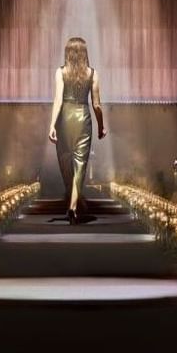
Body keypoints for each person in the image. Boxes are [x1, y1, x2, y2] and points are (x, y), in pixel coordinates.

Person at [48, 37, 107, 224]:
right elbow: (97, 105)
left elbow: (58, 100)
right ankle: (73, 206)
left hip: (64, 120)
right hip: (83, 119)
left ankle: (72, 203)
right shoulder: (93, 74)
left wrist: (52, 124)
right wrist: (101, 126)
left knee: (65, 162)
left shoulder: (60, 72)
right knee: (80, 165)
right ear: (84, 53)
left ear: (68, 53)